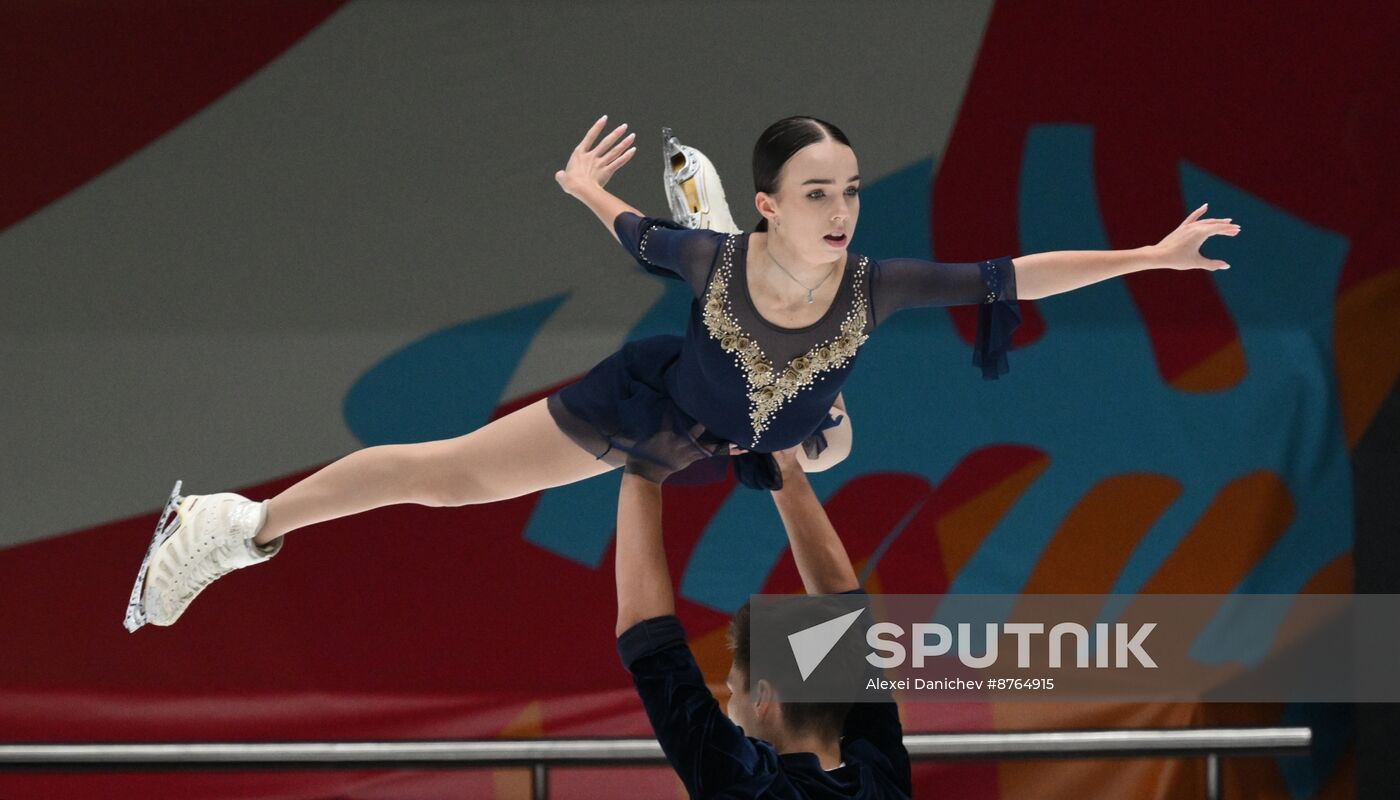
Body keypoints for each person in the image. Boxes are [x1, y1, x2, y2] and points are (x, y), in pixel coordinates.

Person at [125, 114, 1240, 631]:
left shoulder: (874, 284)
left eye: (849, 190)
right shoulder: (707, 253)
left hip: (748, 425)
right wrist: (578, 186)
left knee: (817, 432)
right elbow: (630, 229)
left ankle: (806, 415)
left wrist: (1148, 253)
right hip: (654, 403)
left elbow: (1014, 276)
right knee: (449, 475)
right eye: (816, 193)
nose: (842, 209)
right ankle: (234, 523)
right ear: (766, 205)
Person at [616, 445, 911, 798]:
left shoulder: (749, 782)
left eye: (732, 690)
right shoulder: (878, 785)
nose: (730, 707)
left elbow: (847, 612)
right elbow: (647, 637)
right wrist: (645, 467)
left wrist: (785, 472)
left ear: (764, 696)